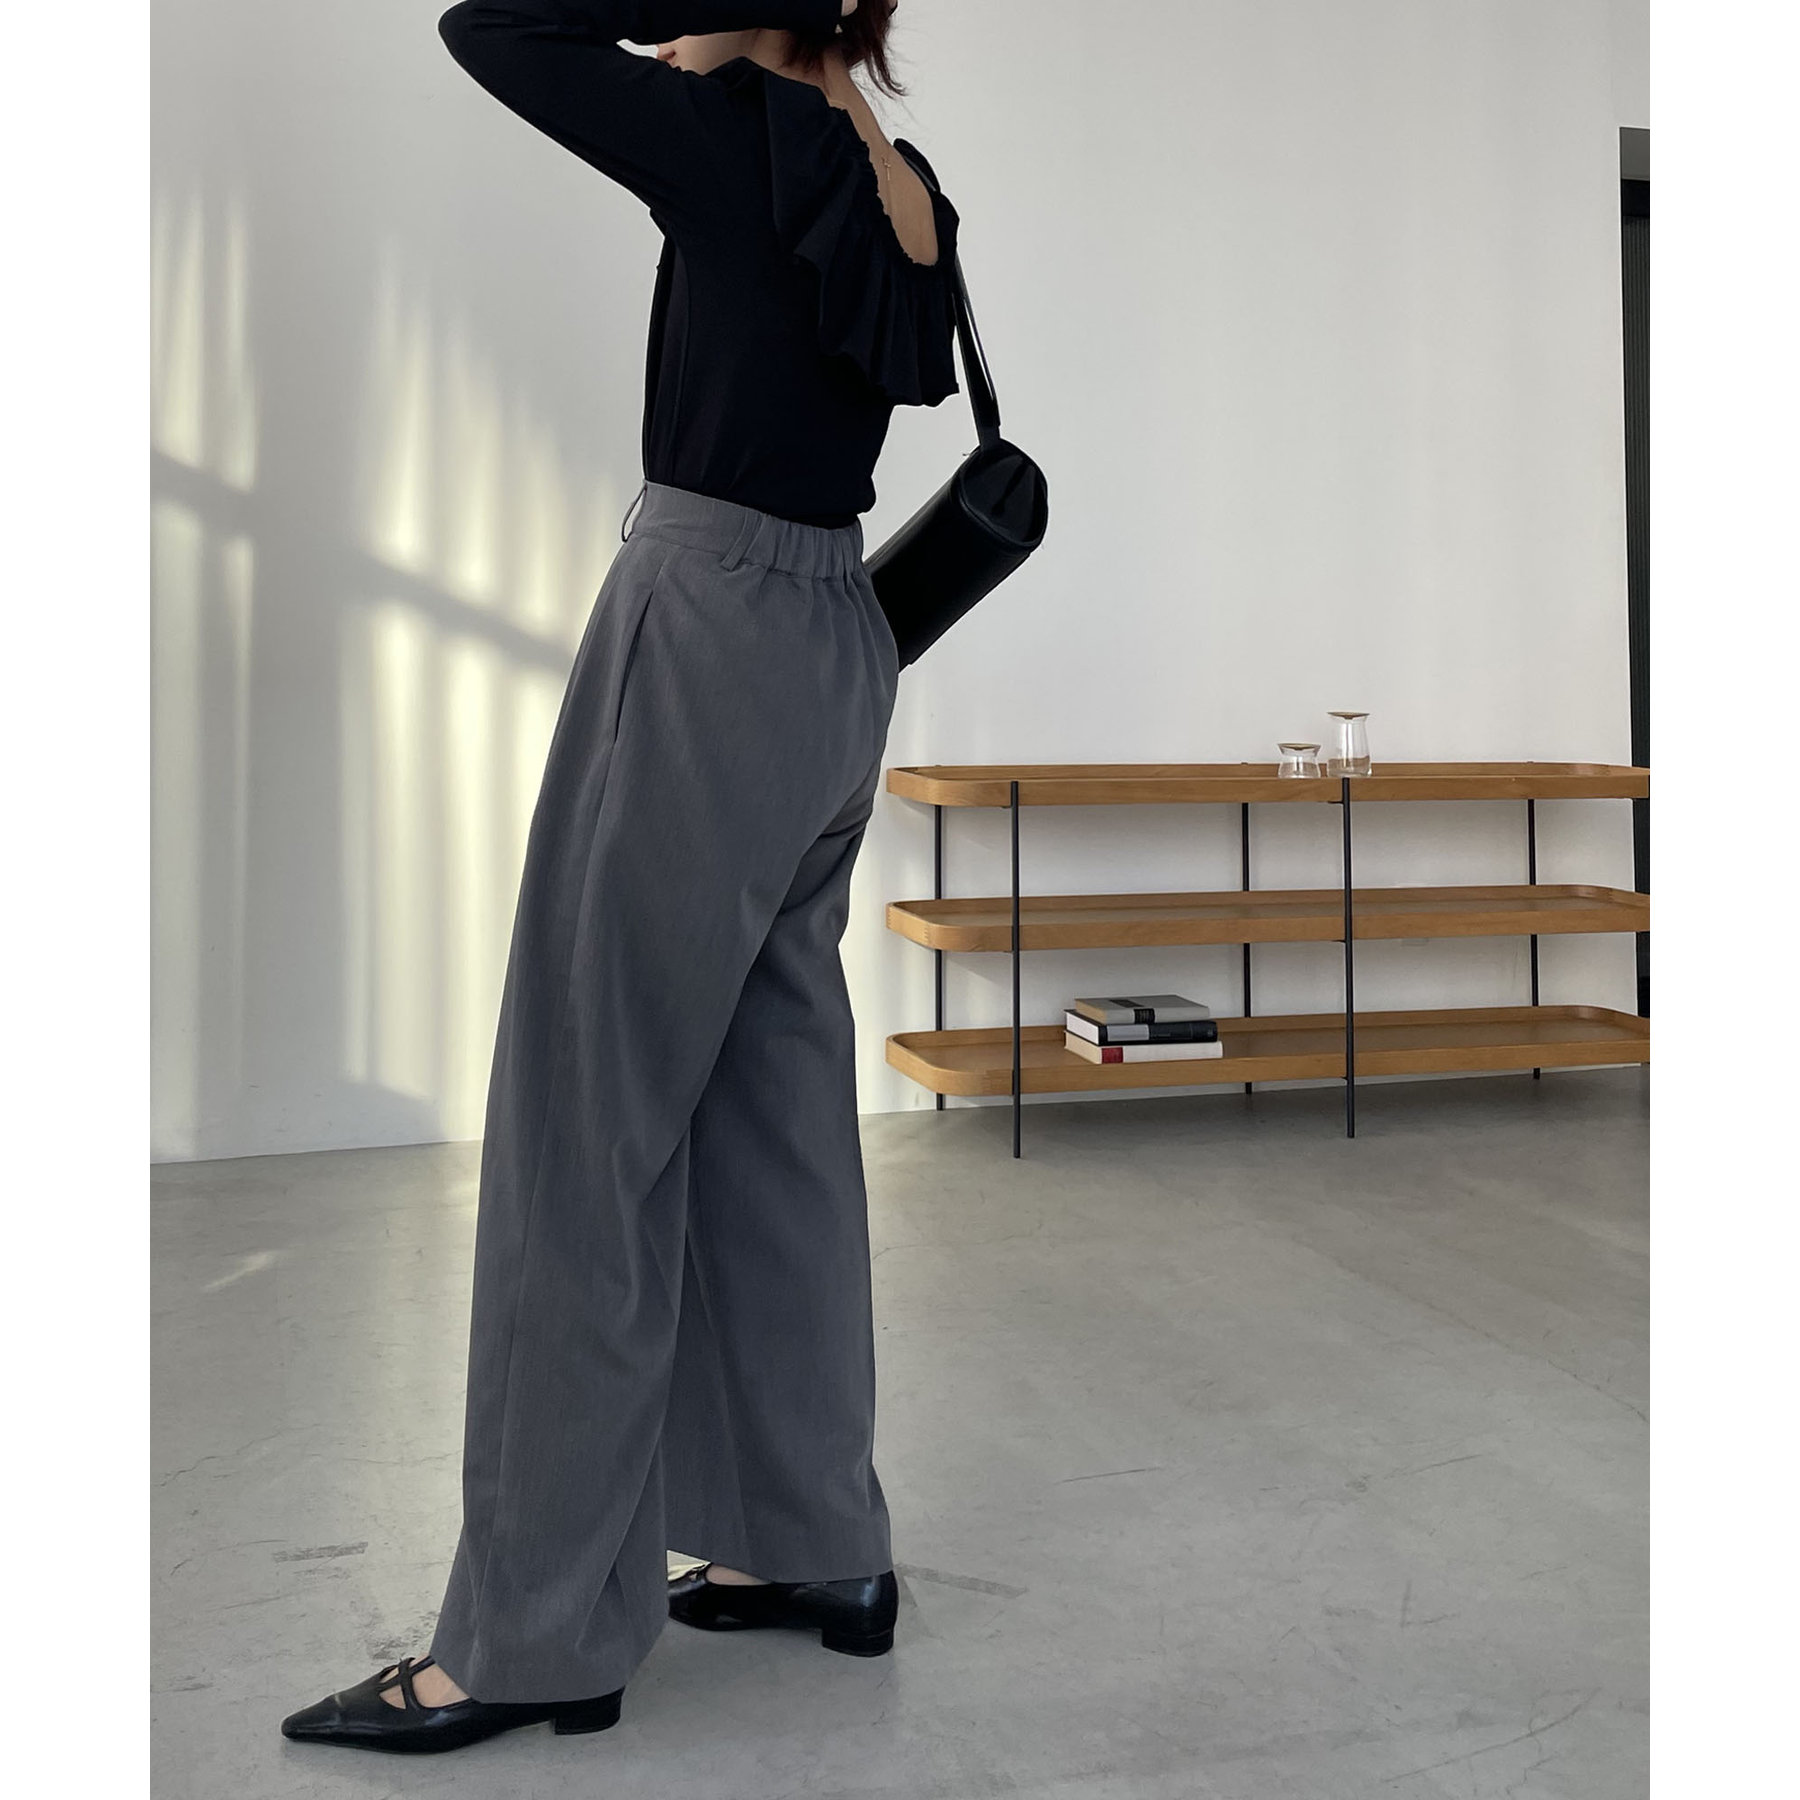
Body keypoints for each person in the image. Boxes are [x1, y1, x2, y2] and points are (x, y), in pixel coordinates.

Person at [280, 0, 961, 1757]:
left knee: (586, 1120)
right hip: (840, 650)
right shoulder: (903, 188)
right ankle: (816, 1540)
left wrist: (683, 25)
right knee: (775, 1107)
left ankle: (526, 1639)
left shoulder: (727, 146)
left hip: (708, 626)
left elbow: (489, 25)